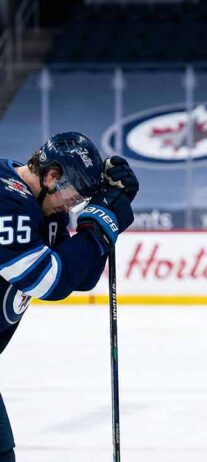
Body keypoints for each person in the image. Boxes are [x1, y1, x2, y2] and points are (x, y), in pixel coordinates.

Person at [0, 132, 139, 461]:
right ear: (51, 176)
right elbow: (45, 279)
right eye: (75, 197)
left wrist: (109, 209)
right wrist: (102, 222)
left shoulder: (48, 210)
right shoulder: (6, 198)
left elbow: (81, 277)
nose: (73, 206)